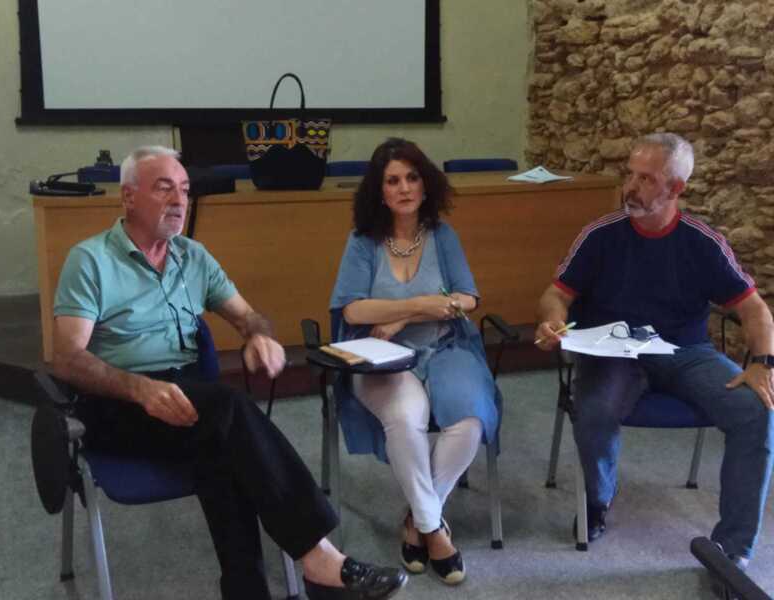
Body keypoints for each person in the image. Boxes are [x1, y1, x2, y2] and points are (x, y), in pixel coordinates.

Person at [51, 146, 407, 600]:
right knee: (229, 412)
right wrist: (140, 389)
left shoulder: (193, 256)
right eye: (164, 189)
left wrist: (258, 336)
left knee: (224, 450)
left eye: (185, 190)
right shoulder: (91, 260)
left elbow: (248, 316)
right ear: (128, 197)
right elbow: (68, 358)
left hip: (189, 400)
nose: (179, 201)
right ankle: (319, 558)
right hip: (118, 401)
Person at [534, 133, 774, 575]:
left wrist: (762, 365)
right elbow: (557, 294)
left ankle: (732, 548)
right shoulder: (600, 235)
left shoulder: (702, 241)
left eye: (646, 179)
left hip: (686, 352)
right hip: (613, 352)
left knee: (754, 410)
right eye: (630, 174)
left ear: (676, 188)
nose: (631, 186)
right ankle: (598, 499)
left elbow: (755, 309)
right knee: (595, 409)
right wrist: (553, 320)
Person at [329, 138, 502, 586]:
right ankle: (433, 530)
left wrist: (407, 314)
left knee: (470, 419)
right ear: (379, 190)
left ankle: (417, 519)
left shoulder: (443, 236)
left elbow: (467, 299)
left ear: (426, 185)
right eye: (393, 181)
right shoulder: (363, 242)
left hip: (445, 346)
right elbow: (354, 310)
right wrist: (426, 304)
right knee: (407, 419)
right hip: (383, 356)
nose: (404, 188)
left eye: (412, 178)